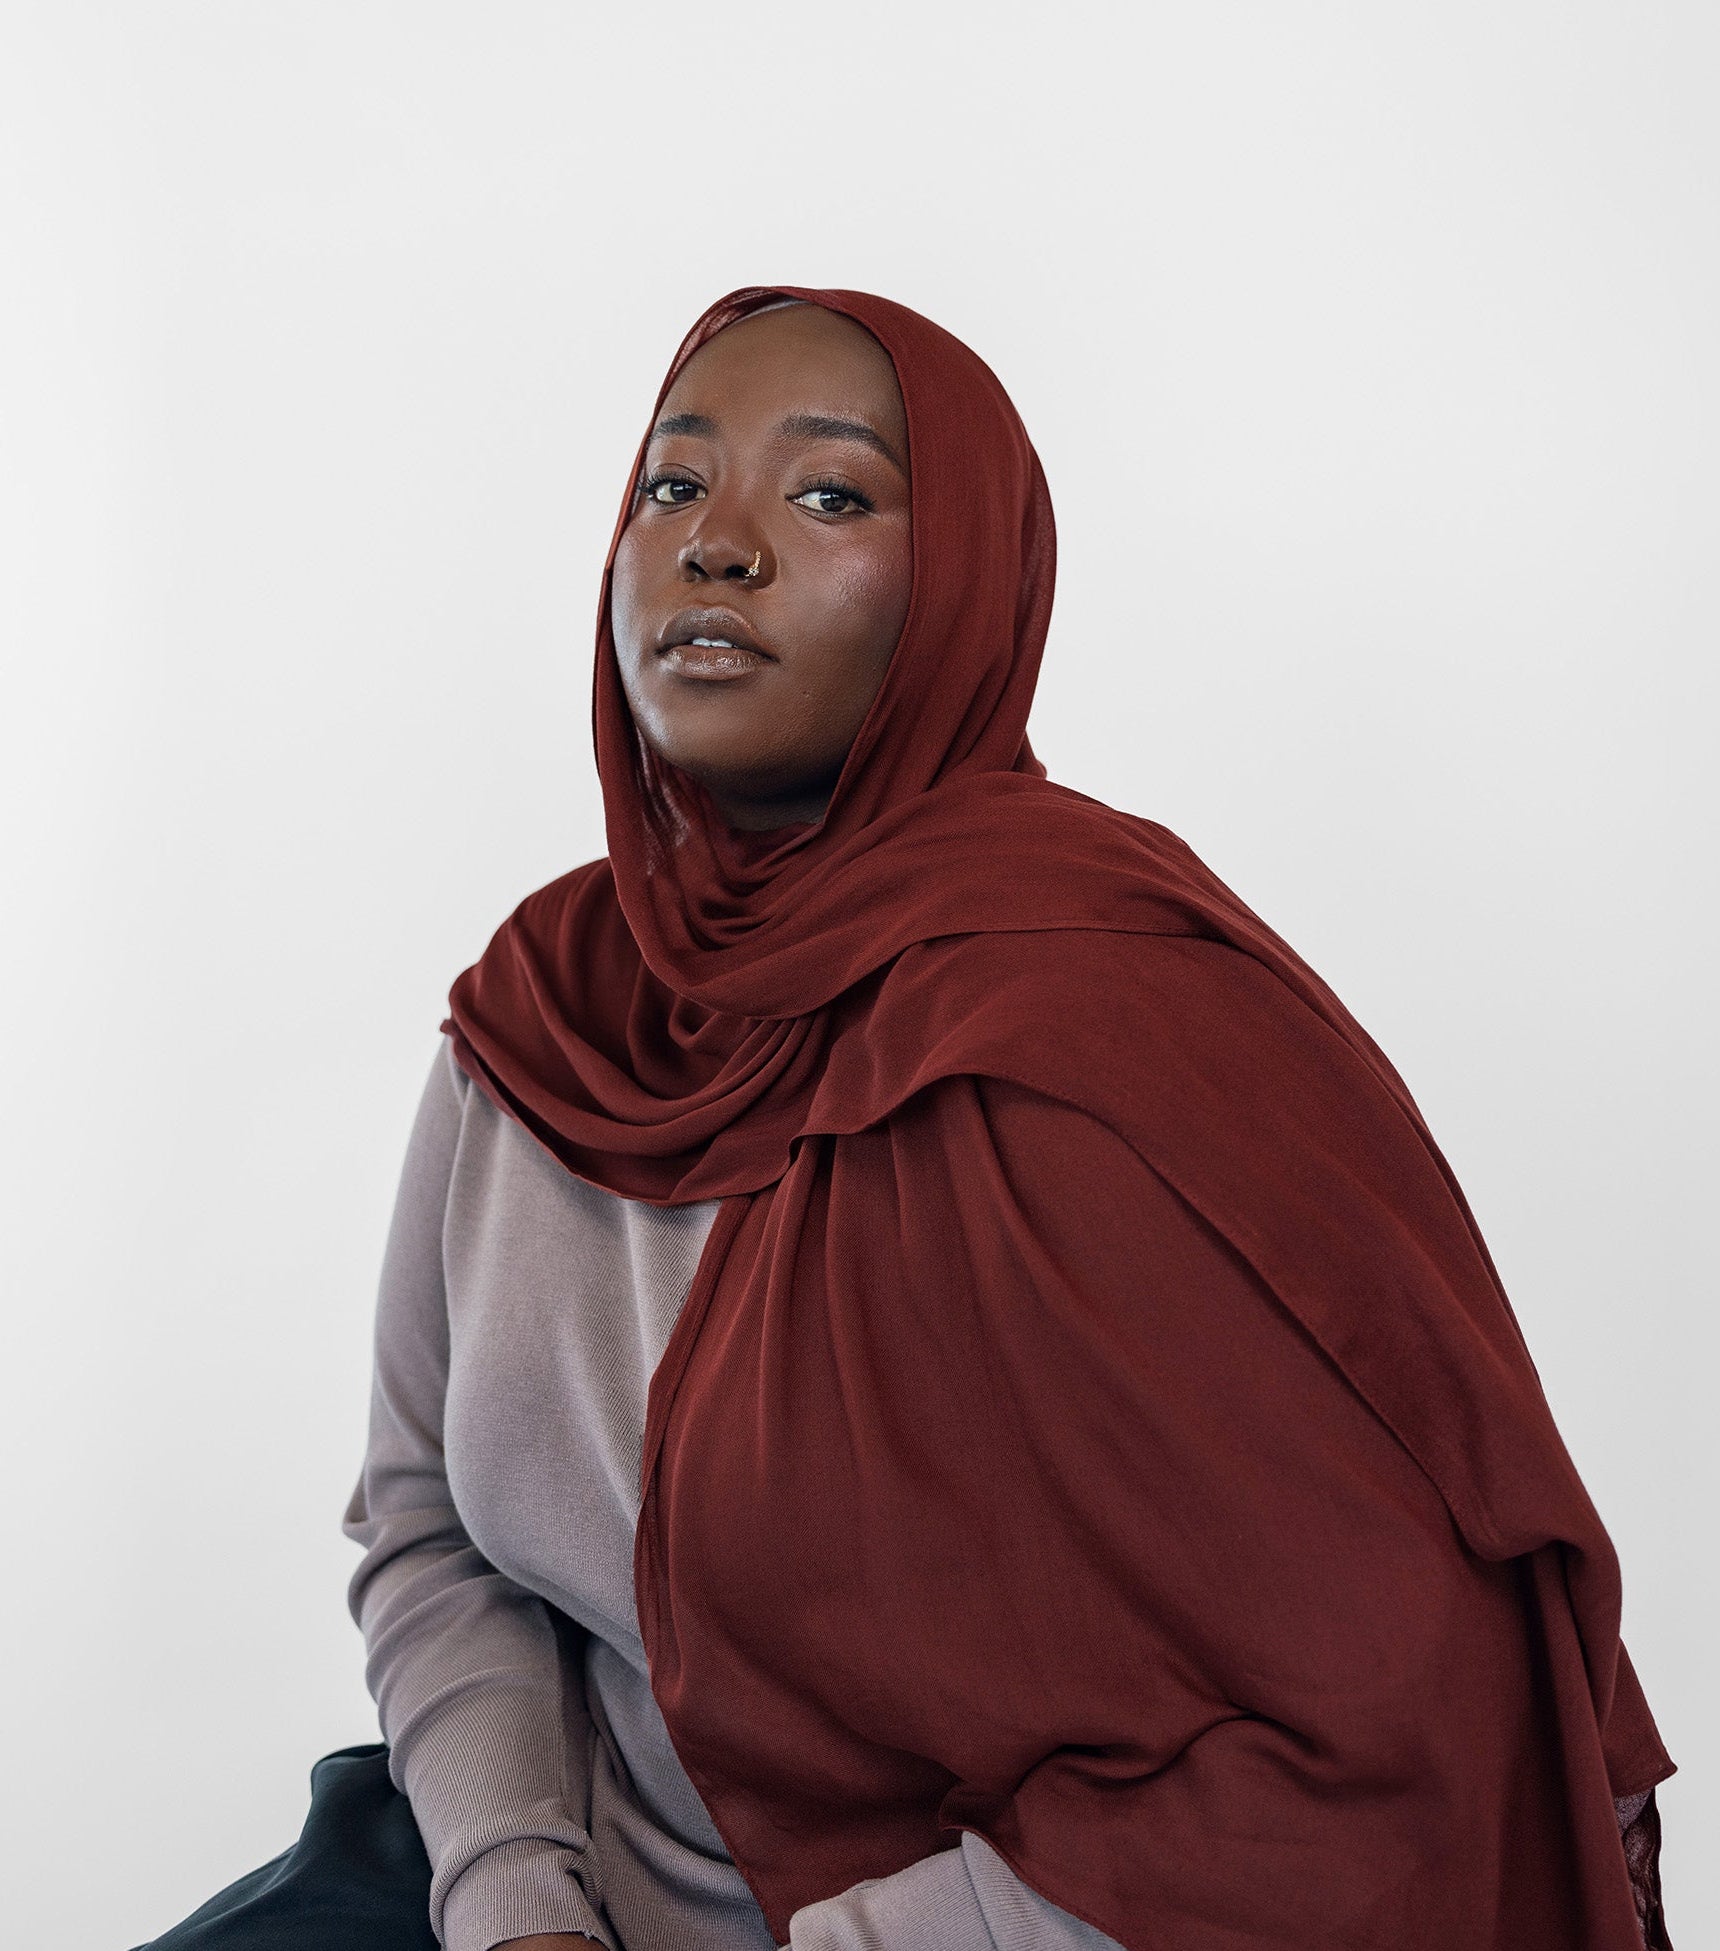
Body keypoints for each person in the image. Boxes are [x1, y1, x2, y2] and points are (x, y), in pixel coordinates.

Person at [134, 287, 1675, 1951]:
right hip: (551, 1865)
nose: (715, 548)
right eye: (671, 486)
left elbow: (1373, 1732)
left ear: (964, 592)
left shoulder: (1104, 1041)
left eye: (830, 495)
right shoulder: (546, 1014)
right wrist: (520, 1901)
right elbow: (429, 1522)